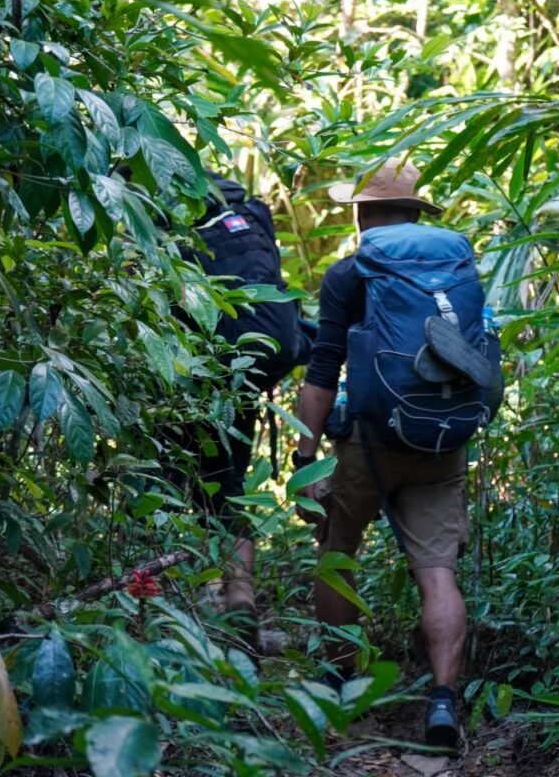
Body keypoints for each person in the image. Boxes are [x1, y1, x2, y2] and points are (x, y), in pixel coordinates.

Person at [293, 158, 469, 749]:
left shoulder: (350, 274)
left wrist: (305, 457)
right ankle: (443, 701)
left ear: (363, 215)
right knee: (437, 572)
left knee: (336, 550)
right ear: (417, 212)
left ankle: (341, 683)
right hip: (441, 439)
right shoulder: (455, 267)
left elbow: (322, 371)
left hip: (368, 443)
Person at [176, 172, 313, 624]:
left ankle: (180, 604)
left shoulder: (169, 217)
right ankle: (240, 598)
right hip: (246, 372)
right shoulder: (249, 212)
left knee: (170, 484)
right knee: (229, 485)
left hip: (191, 370)